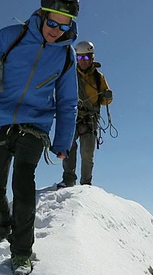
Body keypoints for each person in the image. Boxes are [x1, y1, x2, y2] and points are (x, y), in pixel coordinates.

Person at [0, 0, 80, 275]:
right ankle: (2, 231)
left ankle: (22, 253)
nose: (56, 31)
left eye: (64, 26)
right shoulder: (12, 36)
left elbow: (68, 102)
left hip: (35, 125)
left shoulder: (66, 55)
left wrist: (62, 142)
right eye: (52, 23)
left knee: (24, 185)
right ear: (42, 16)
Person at [57, 40, 113, 188]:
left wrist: (108, 98)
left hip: (89, 119)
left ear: (92, 58)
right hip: (73, 116)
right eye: (80, 58)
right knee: (69, 148)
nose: (83, 61)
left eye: (86, 58)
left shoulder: (98, 77)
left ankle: (86, 183)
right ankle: (68, 179)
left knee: (87, 152)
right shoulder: (71, 75)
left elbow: (104, 100)